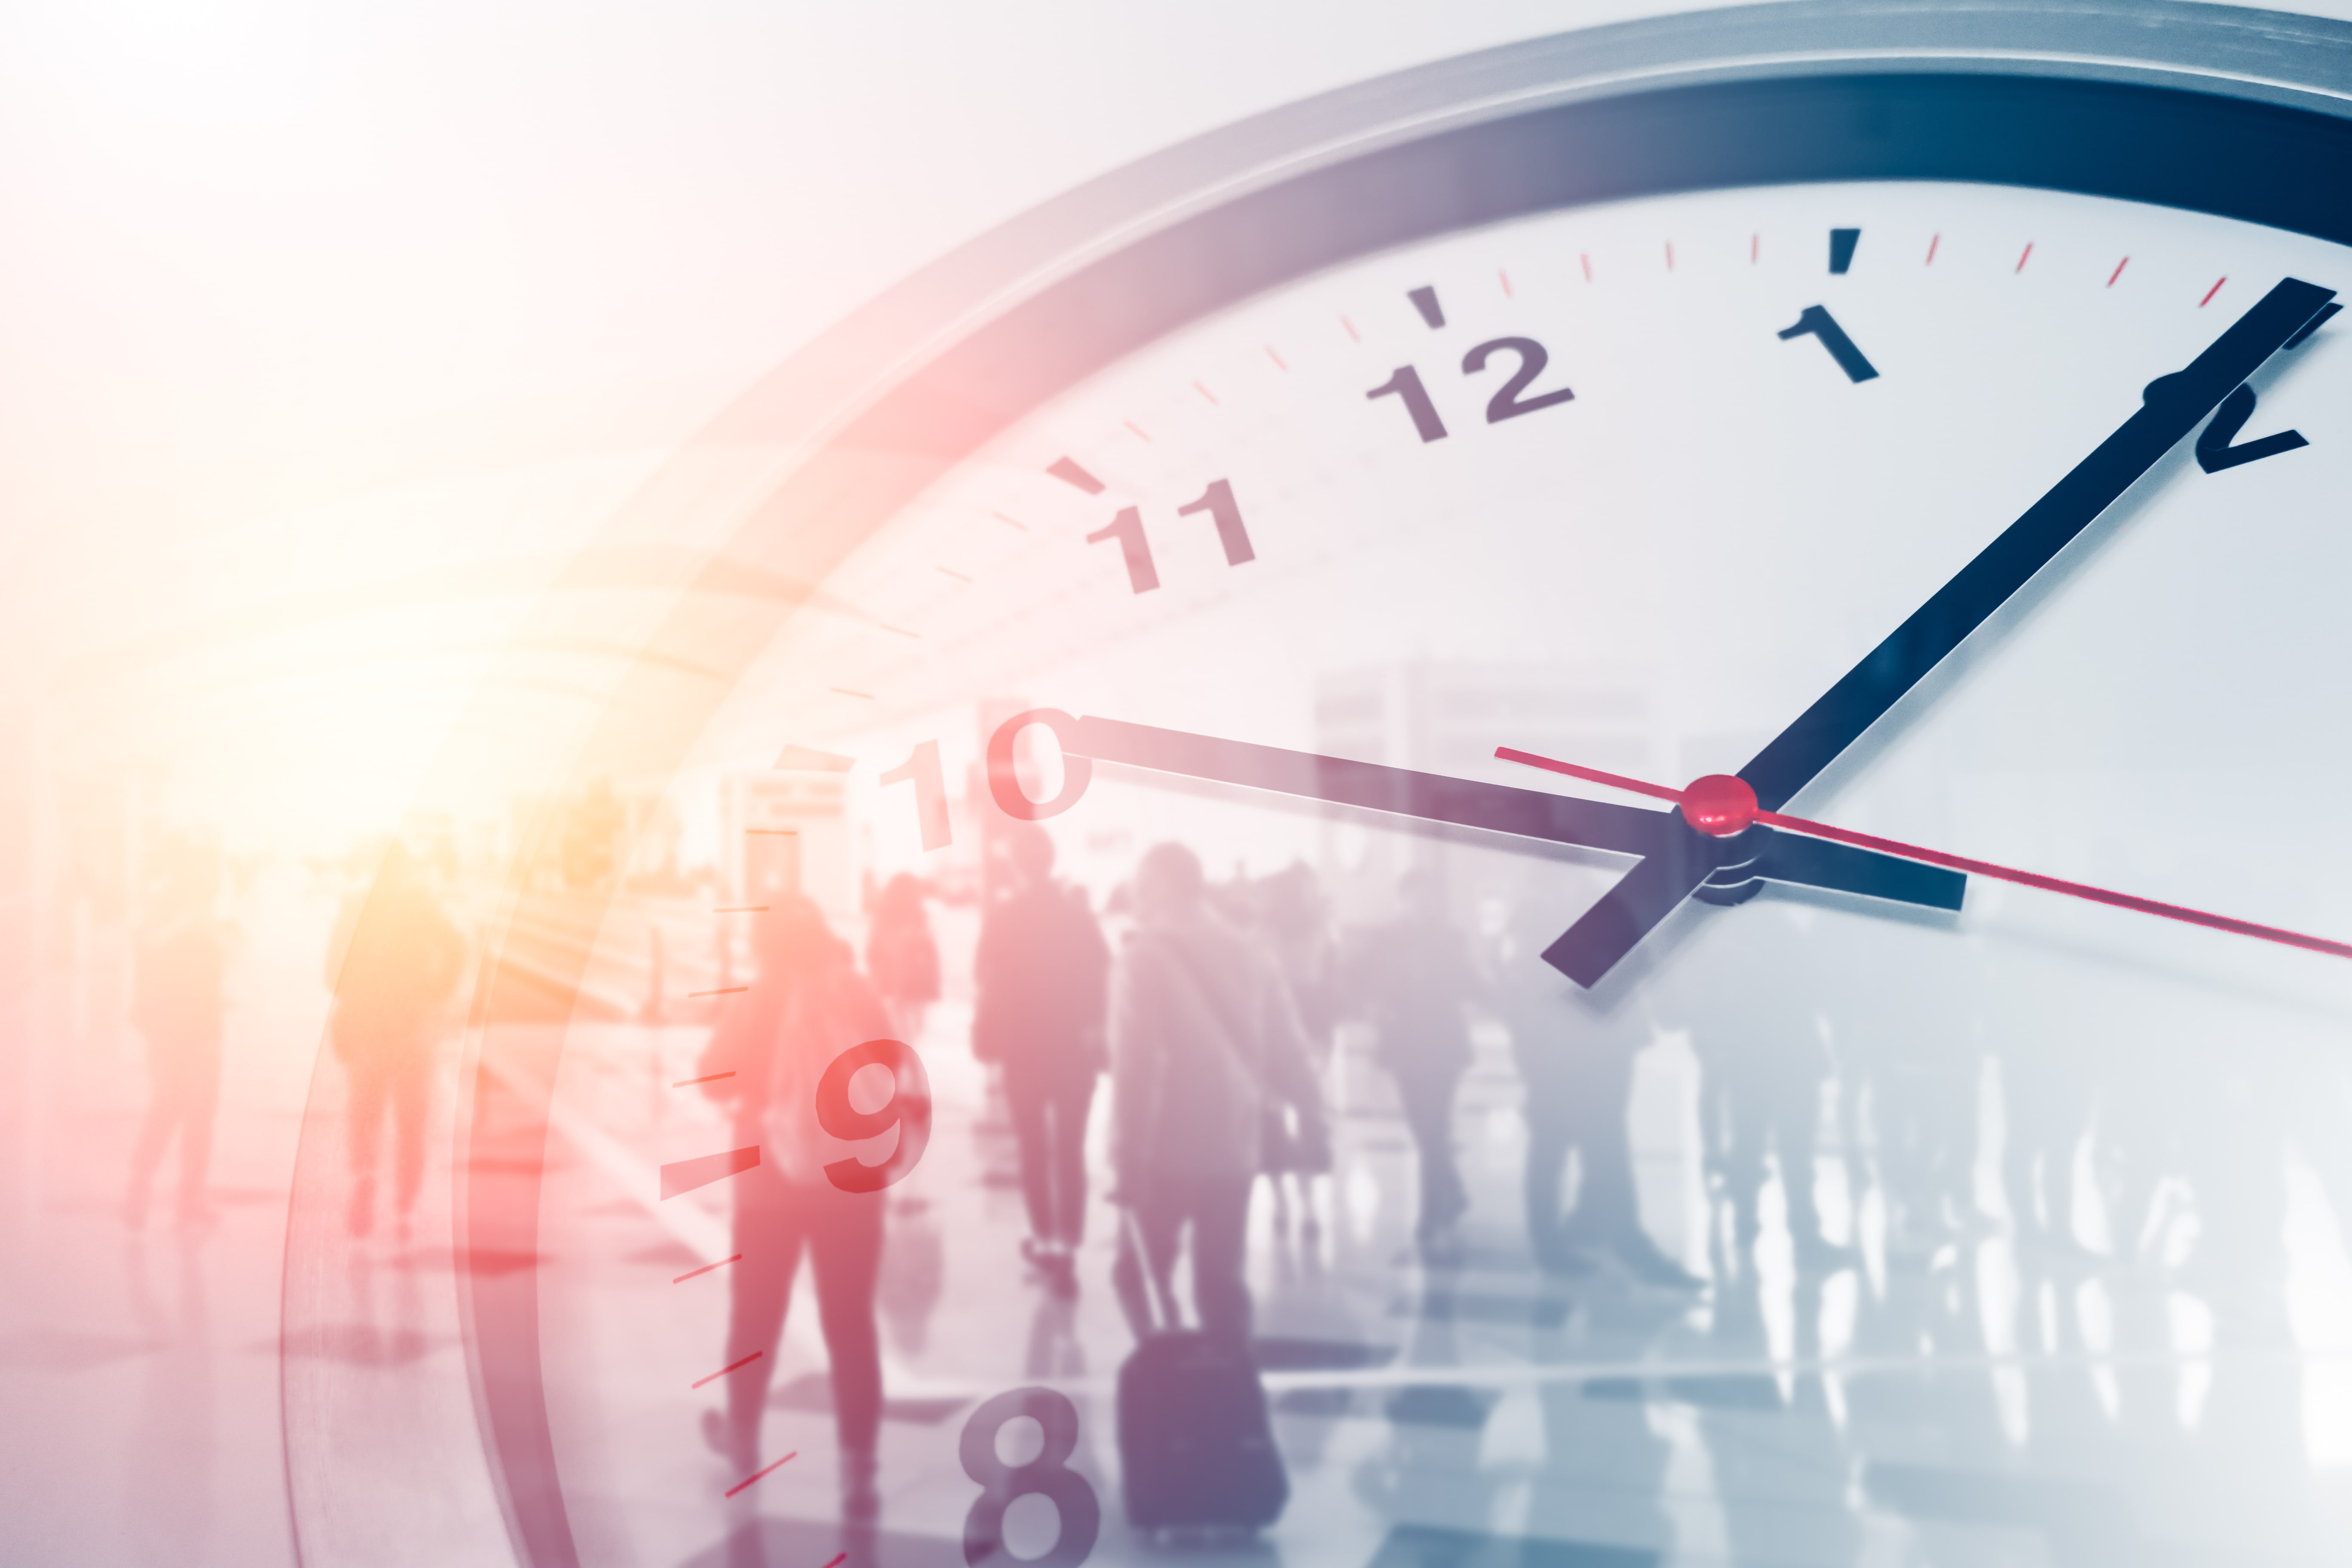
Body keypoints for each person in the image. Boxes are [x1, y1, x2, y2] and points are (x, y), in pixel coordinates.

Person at [695, 897, 890, 1519]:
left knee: (756, 1314)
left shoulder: (758, 996)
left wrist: (761, 1092)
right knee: (851, 1322)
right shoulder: (855, 991)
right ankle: (859, 1469)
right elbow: (891, 1067)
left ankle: (745, 1440)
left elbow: (712, 1075)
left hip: (769, 1185)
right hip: (854, 1183)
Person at [1109, 842, 1327, 1347]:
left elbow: (1138, 1069)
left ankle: (1166, 1370)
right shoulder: (1251, 951)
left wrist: (1127, 1159)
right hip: (1234, 1149)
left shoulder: (1143, 958)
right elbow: (1290, 1050)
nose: (1136, 897)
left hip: (1163, 1157)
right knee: (1223, 1285)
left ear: (1164, 884)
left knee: (1137, 1274)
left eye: (1142, 884)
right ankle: (1229, 1391)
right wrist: (1317, 1120)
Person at [1499, 900, 1700, 1287]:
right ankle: (1587, 1243)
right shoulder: (1538, 916)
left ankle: (1596, 1235)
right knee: (1565, 1148)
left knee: (1597, 1147)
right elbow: (1524, 998)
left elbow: (1638, 966)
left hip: (1602, 1049)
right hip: (1563, 1055)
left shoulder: (1599, 907)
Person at [971, 824, 1110, 1290]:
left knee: (1033, 1149)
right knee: (1070, 1149)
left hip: (1023, 1051)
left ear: (1016, 865)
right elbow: (1102, 975)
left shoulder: (1004, 917)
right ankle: (1068, 1248)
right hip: (1073, 1050)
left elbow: (986, 978)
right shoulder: (1078, 915)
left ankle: (1045, 1239)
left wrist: (986, 1036)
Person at [326, 843, 466, 1241]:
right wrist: (436, 990)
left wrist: (355, 995)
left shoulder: (355, 909)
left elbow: (331, 971)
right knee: (412, 1120)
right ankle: (405, 1207)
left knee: (365, 1111)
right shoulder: (422, 909)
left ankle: (365, 1176)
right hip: (414, 1026)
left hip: (368, 1025)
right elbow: (458, 948)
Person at [1351, 868, 1484, 1246]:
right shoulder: (1386, 940)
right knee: (1422, 1128)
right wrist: (1371, 1007)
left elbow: (1470, 983)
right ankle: (1454, 1193)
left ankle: (1429, 1212)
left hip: (1444, 1044)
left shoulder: (1451, 939)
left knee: (1434, 1128)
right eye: (1418, 895)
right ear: (1404, 898)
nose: (1425, 903)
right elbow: (1359, 979)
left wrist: (1506, 999)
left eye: (1431, 896)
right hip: (1405, 1043)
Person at [123, 843, 233, 1229]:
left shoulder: (165, 910)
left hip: (183, 1025)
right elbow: (192, 965)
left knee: (191, 1108)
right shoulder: (187, 917)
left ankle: (182, 1194)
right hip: (187, 1027)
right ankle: (151, 1190)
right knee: (179, 1104)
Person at [864, 872, 940, 1046]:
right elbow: (931, 957)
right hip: (915, 990)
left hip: (888, 990)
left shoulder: (883, 920)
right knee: (911, 1039)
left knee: (895, 1038)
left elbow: (873, 954)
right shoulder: (922, 921)